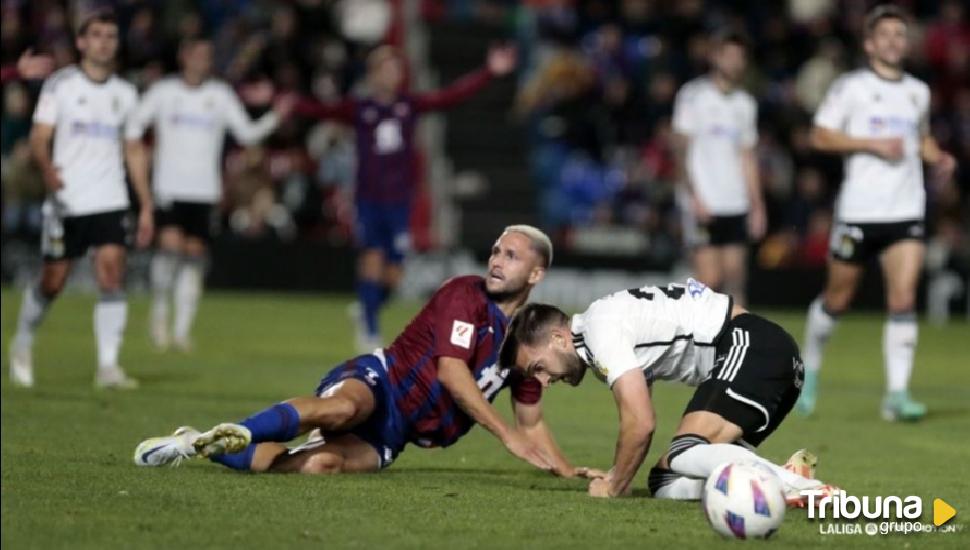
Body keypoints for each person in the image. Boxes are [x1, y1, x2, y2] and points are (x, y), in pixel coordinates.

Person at [135, 226, 599, 478]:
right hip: (383, 381)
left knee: (319, 465)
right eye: (496, 250)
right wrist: (506, 437)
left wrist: (565, 469)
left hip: (396, 434)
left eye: (512, 256)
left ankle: (200, 442)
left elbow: (530, 420)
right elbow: (452, 375)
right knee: (339, 409)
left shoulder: (527, 336)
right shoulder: (466, 295)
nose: (496, 259)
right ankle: (238, 429)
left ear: (536, 275)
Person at [500, 279, 836, 502]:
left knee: (684, 451)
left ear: (559, 338)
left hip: (752, 345)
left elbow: (641, 422)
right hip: (764, 358)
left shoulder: (600, 330)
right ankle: (774, 488)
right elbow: (638, 407)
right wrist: (619, 471)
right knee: (664, 481)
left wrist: (615, 485)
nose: (542, 382)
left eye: (538, 368)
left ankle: (805, 488)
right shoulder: (598, 328)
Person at [295, 44, 517, 352]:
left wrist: (488, 72)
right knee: (371, 260)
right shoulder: (359, 108)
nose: (393, 74)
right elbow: (319, 110)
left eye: (396, 69)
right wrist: (285, 102)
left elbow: (449, 97)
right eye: (387, 69)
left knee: (394, 274)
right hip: (368, 200)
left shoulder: (408, 105)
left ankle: (366, 308)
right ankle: (370, 331)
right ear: (374, 74)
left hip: (399, 201)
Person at [796, 5, 957, 420]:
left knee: (903, 298)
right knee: (838, 299)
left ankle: (897, 396)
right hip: (859, 211)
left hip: (906, 209)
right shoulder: (850, 88)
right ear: (869, 43)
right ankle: (808, 373)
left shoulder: (917, 92)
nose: (892, 41)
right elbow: (819, 135)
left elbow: (918, 139)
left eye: (899, 35)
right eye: (884, 34)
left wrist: (938, 157)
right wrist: (871, 145)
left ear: (907, 43)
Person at [8, 10, 152, 389]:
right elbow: (40, 137)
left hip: (111, 197)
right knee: (54, 281)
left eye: (111, 36)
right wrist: (48, 169)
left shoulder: (126, 93)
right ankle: (22, 341)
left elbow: (134, 150)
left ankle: (108, 367)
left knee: (111, 273)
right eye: (97, 35)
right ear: (81, 42)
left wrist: (147, 203)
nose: (104, 42)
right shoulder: (61, 85)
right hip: (67, 197)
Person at [127, 38, 293, 352]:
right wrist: (137, 154)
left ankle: (181, 330)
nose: (202, 61)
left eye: (207, 56)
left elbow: (246, 133)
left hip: (204, 190)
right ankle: (159, 314)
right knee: (170, 250)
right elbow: (135, 124)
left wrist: (275, 117)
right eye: (197, 55)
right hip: (170, 187)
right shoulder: (164, 92)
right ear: (183, 57)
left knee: (193, 257)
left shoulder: (219, 95)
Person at [672, 32, 765, 306]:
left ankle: (739, 342)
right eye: (729, 56)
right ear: (715, 57)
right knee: (709, 279)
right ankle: (678, 321)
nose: (735, 63)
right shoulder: (693, 96)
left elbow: (747, 156)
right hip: (704, 199)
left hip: (735, 200)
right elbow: (680, 150)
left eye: (740, 57)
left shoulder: (745, 104)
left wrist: (757, 205)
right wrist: (693, 196)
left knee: (735, 277)